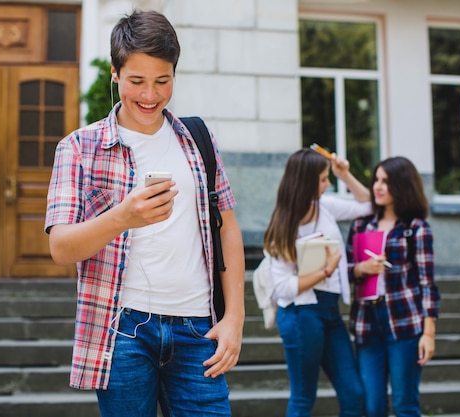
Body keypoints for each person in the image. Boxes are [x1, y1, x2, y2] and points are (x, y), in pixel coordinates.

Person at [44, 9, 245, 417]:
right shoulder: (79, 148)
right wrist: (123, 217)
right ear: (115, 74)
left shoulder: (198, 140)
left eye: (162, 81)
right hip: (123, 332)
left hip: (198, 328)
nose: (150, 95)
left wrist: (236, 318)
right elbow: (61, 247)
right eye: (137, 81)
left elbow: (228, 230)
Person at [262, 148, 371, 417]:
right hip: (301, 315)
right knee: (303, 398)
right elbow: (283, 289)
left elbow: (368, 205)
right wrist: (325, 270)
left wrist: (345, 175)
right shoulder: (285, 224)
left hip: (330, 311)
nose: (328, 183)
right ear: (308, 181)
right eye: (324, 179)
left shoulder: (325, 207)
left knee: (354, 394)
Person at [346, 156, 440, 417]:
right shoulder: (361, 225)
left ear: (402, 185)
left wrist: (429, 333)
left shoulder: (416, 229)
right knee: (372, 406)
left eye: (386, 181)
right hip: (367, 323)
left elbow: (427, 283)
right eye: (376, 179)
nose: (378, 186)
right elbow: (344, 270)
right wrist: (361, 269)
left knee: (405, 405)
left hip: (405, 322)